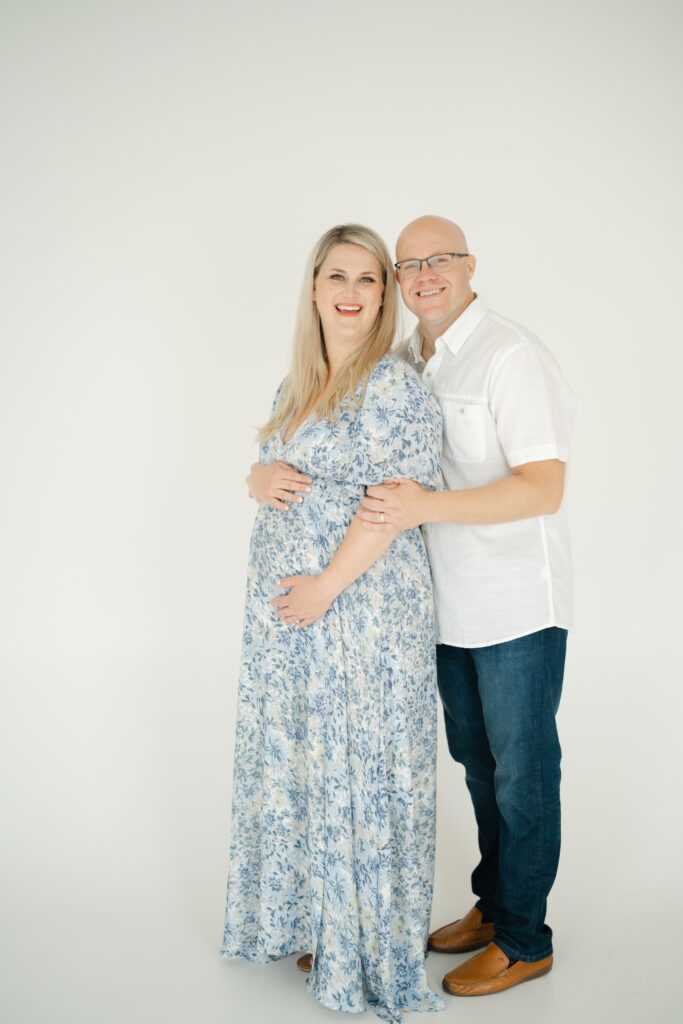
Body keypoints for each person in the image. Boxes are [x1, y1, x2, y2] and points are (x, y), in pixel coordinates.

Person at [220, 224, 445, 1022]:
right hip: (300, 626)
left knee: (364, 770)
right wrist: (257, 477)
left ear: (384, 296)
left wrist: (323, 588)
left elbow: (390, 506)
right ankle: (325, 922)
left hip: (362, 616)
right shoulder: (300, 382)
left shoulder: (390, 385)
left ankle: (366, 940)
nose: (351, 292)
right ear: (313, 288)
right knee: (314, 767)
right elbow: (275, 466)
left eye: (368, 279)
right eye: (336, 276)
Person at [358, 215, 576, 997]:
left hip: (514, 606)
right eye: (408, 264)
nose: (423, 276)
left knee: (523, 776)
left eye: (438, 260)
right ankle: (493, 906)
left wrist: (424, 507)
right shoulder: (405, 361)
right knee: (478, 767)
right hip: (446, 609)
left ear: (469, 265)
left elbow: (542, 487)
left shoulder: (508, 355)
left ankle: (524, 941)